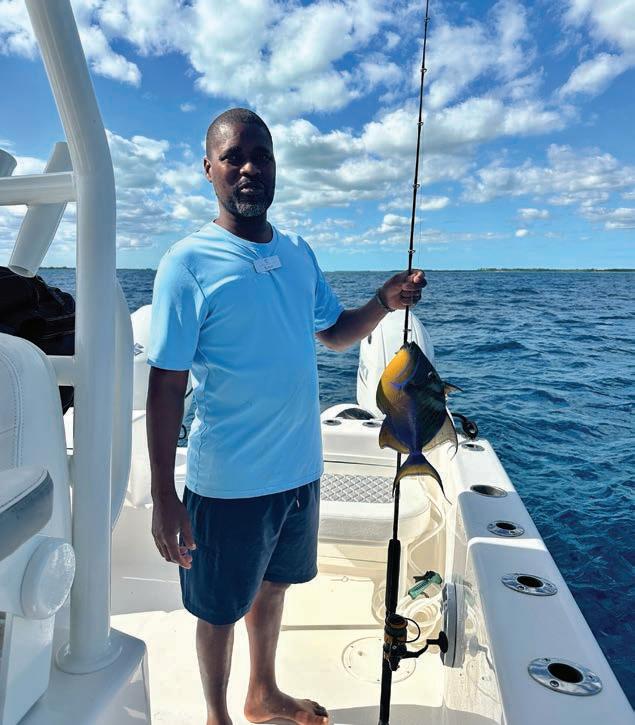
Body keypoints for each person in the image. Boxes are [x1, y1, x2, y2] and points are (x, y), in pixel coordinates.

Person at [147, 107, 426, 725]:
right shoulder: (186, 263)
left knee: (274, 587)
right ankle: (217, 715)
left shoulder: (298, 252)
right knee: (218, 609)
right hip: (229, 482)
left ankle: (263, 692)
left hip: (299, 470)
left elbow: (335, 332)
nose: (249, 168)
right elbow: (165, 385)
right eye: (234, 157)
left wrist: (383, 301)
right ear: (209, 169)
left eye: (262, 156)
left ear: (275, 167)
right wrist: (164, 494)